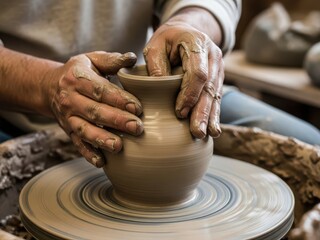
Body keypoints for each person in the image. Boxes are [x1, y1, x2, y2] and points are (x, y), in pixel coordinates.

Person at [0, 1, 319, 168]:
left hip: (155, 90)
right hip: (16, 104)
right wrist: (45, 84)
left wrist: (190, 23)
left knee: (311, 147)